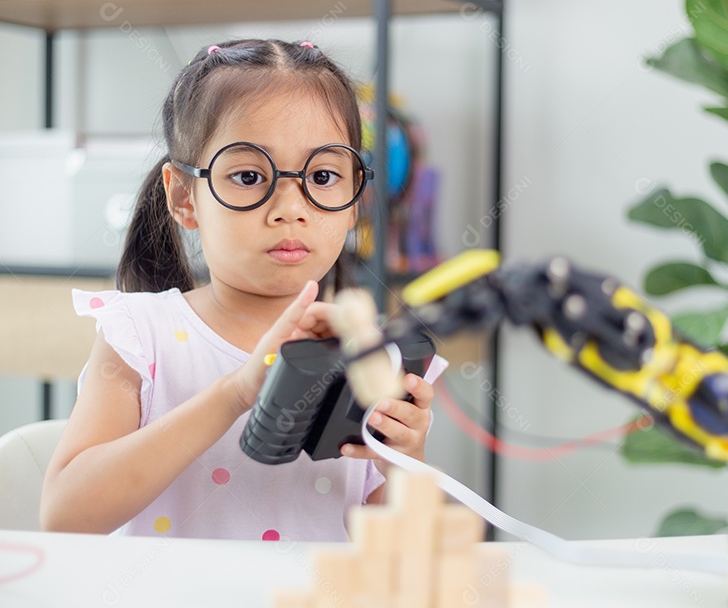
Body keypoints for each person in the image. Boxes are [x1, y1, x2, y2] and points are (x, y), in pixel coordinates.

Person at [40, 39, 435, 541]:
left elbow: (397, 552)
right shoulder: (140, 337)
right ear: (184, 197)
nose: (290, 207)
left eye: (323, 175)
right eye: (249, 176)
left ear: (355, 197)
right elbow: (65, 514)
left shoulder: (375, 355)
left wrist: (406, 462)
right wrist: (236, 394)